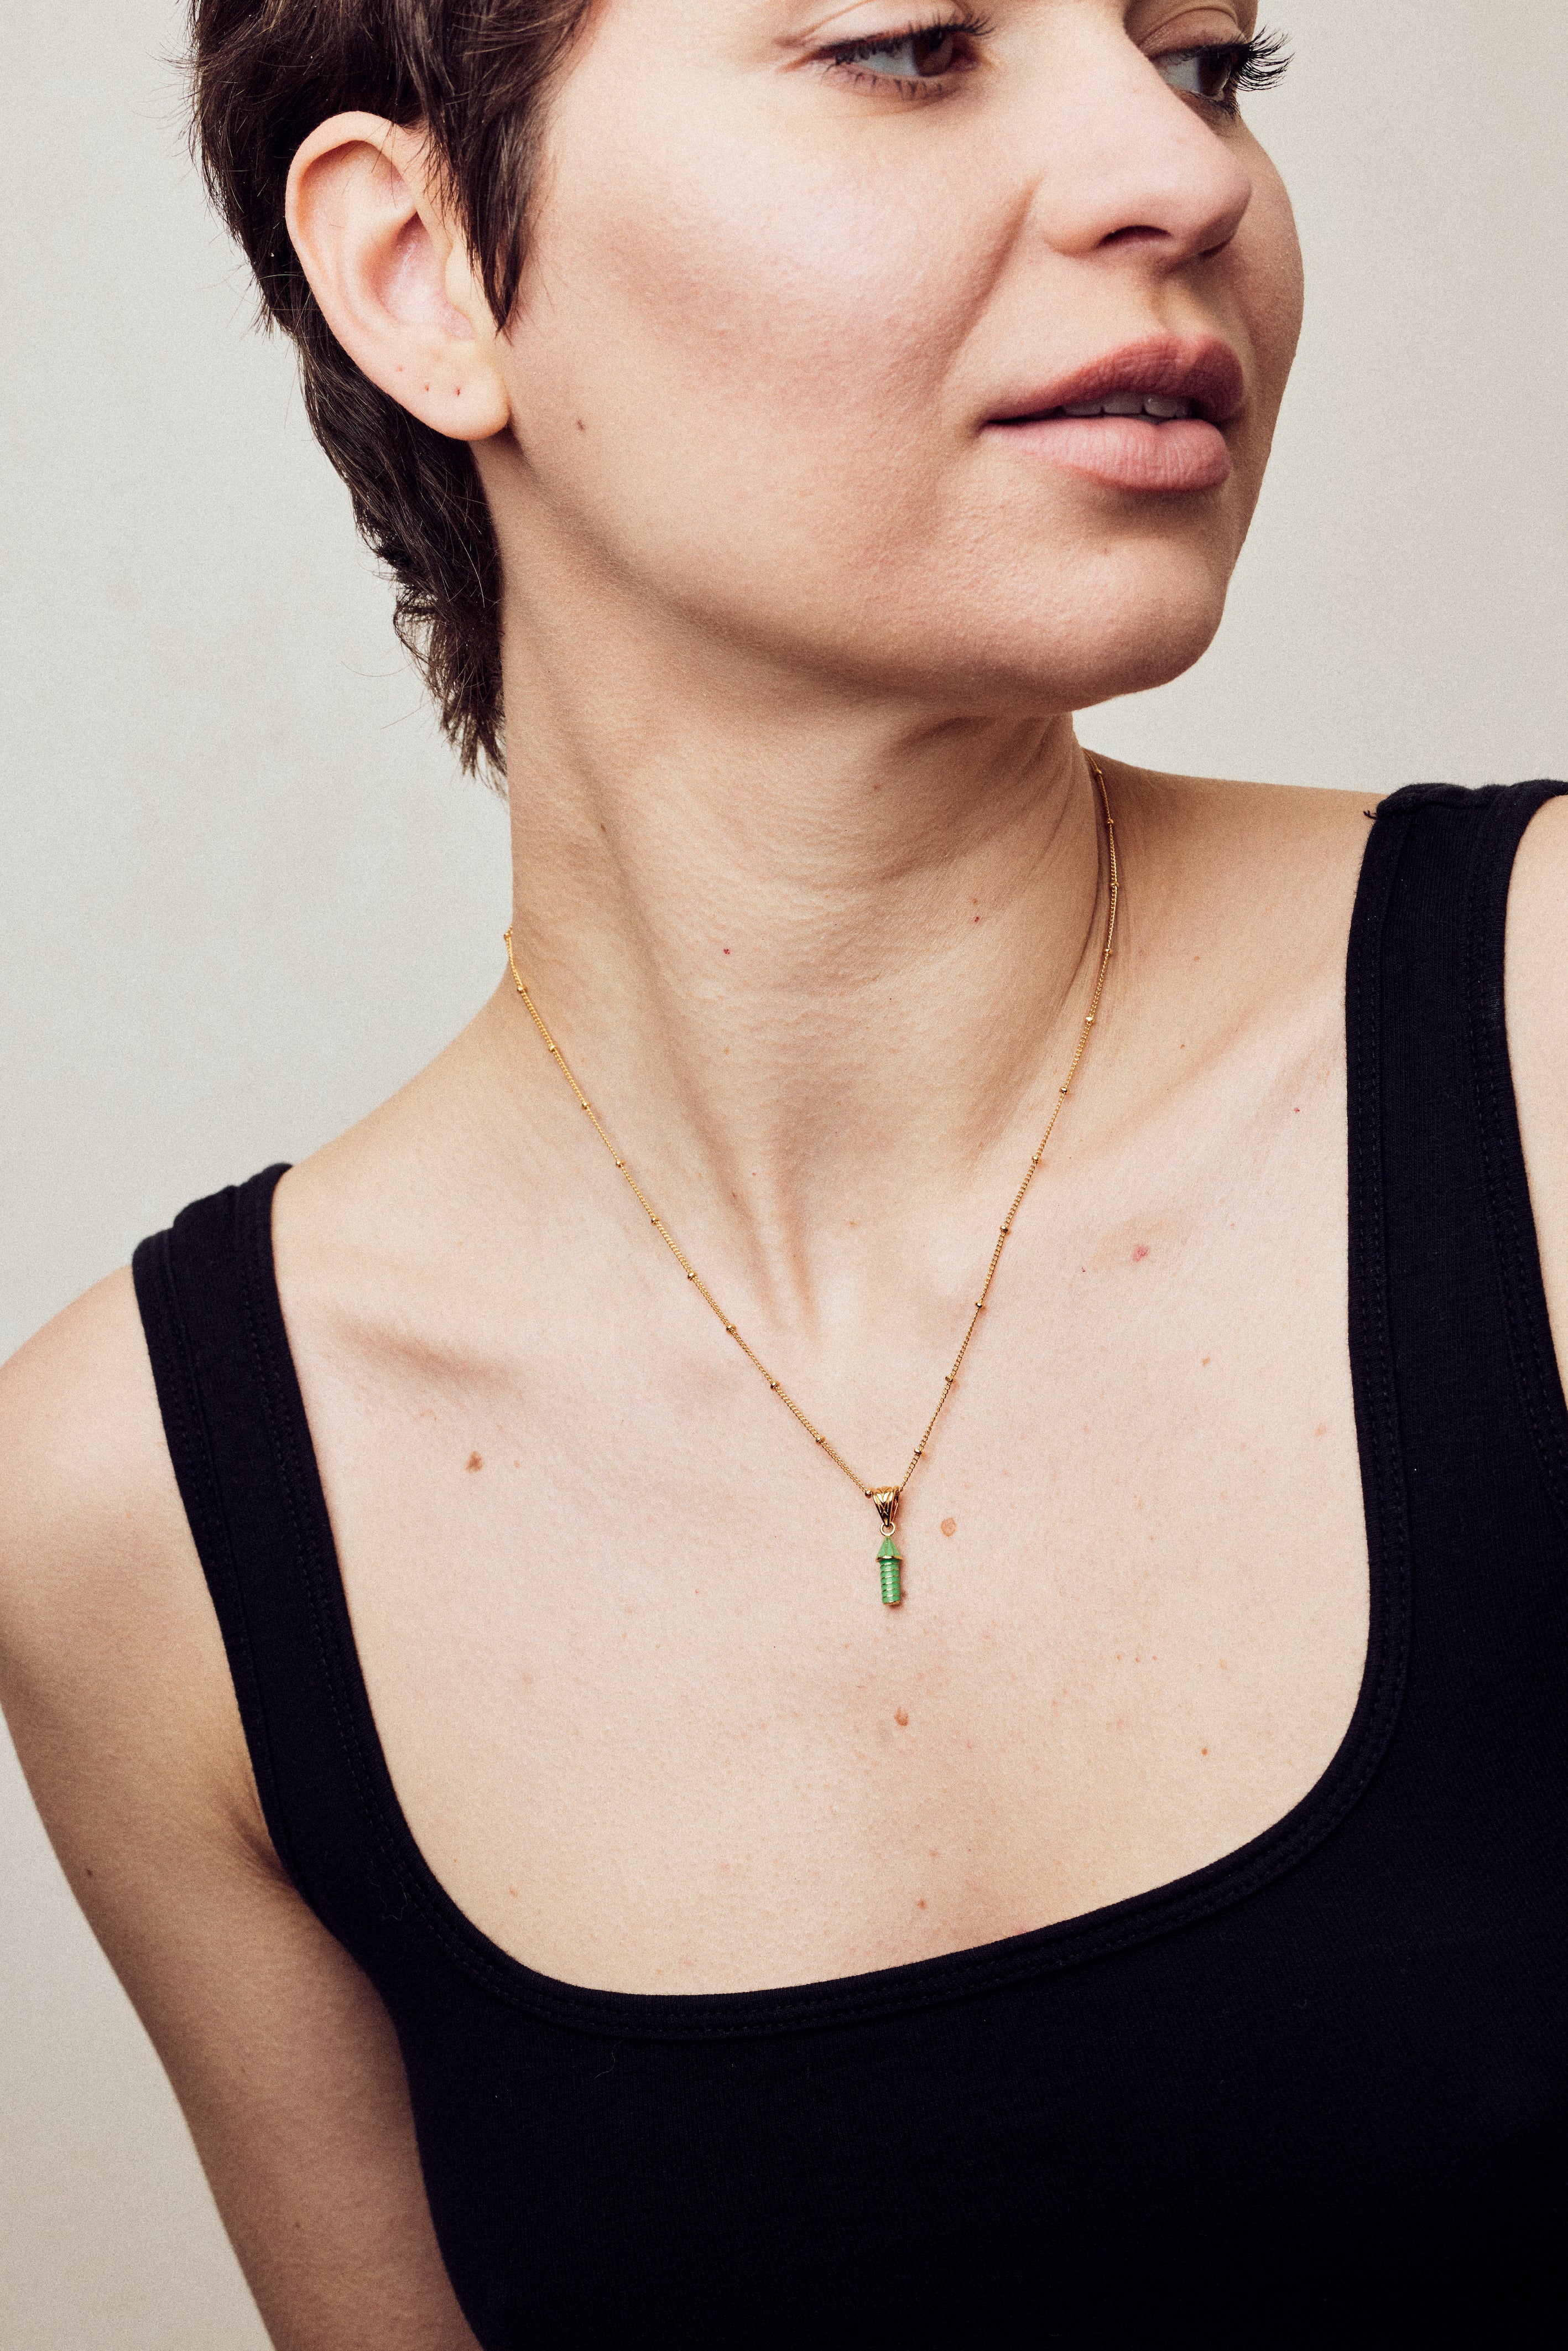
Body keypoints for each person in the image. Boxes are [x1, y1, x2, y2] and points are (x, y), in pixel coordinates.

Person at [2, 2, 1564, 2342]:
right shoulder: (144, 1516)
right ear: (422, 267)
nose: (1184, 177)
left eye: (1207, 64)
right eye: (912, 47)